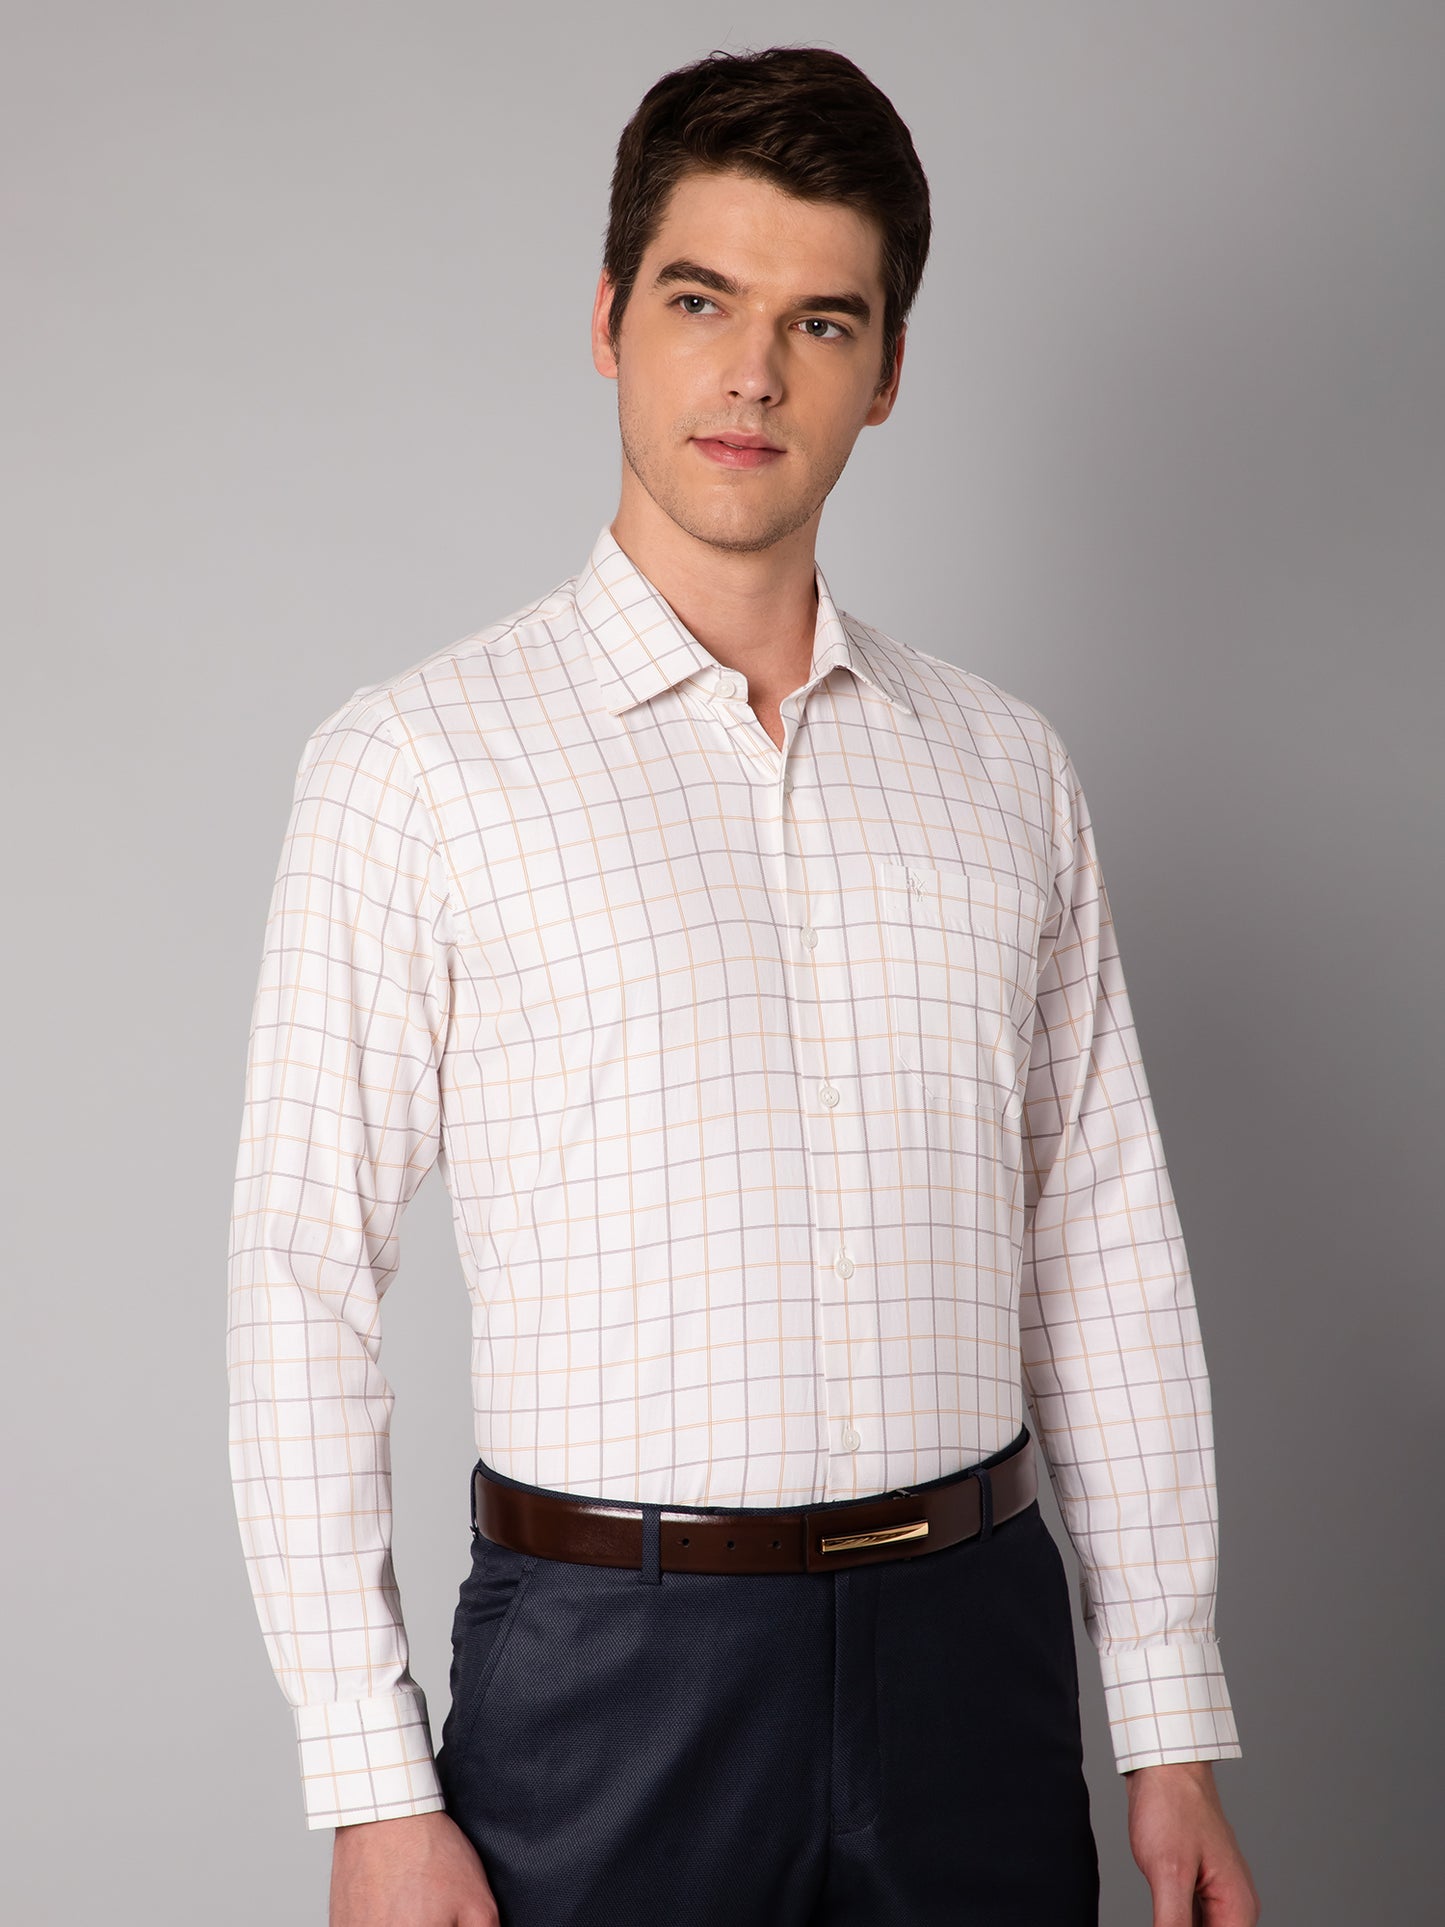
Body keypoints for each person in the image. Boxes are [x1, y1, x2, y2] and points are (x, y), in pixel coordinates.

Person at [226, 43, 1260, 1927]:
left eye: (820, 322)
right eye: (701, 302)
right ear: (608, 321)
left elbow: (1099, 1241)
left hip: (970, 1660)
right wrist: (369, 1781)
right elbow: (300, 1279)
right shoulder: (418, 763)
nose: (753, 374)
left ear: (887, 370)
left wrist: (1166, 1720)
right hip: (611, 1674)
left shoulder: (1003, 767)